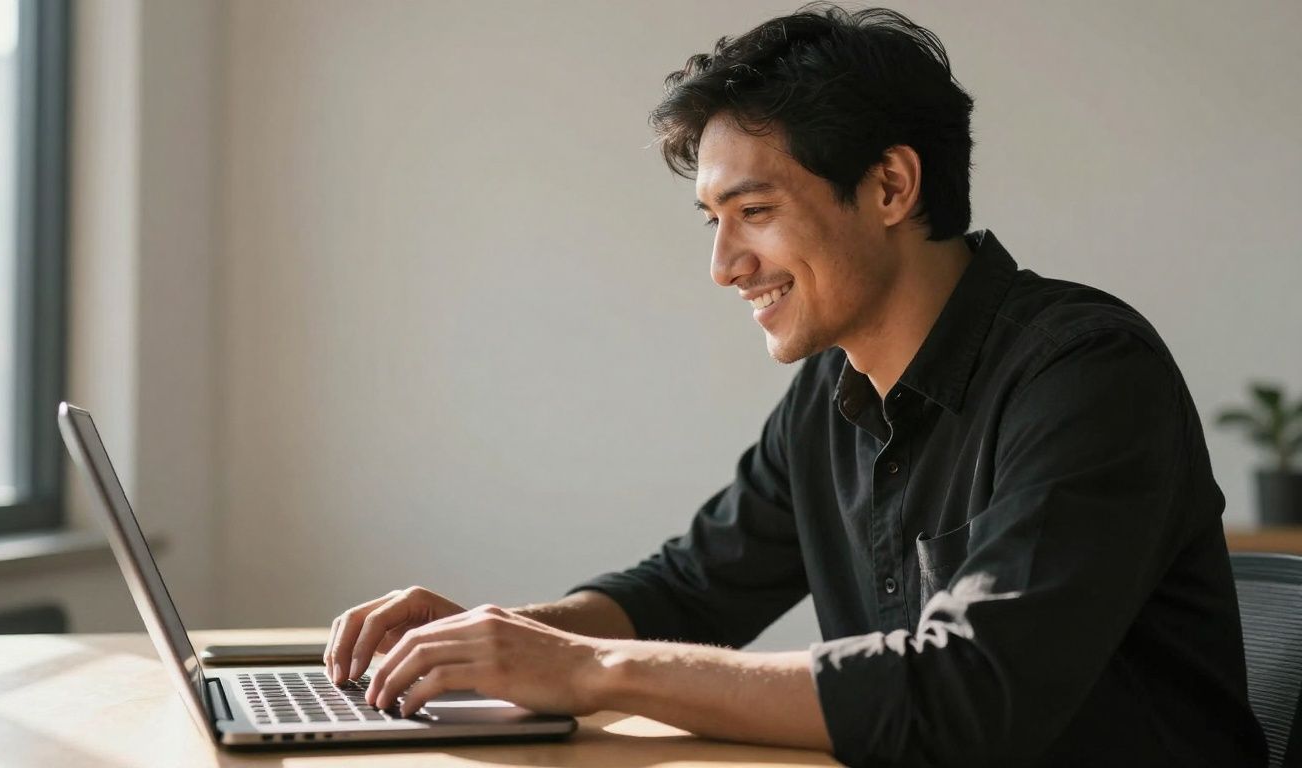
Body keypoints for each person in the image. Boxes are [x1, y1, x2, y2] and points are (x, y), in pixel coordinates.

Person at [323, 5, 1267, 765]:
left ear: (891, 187)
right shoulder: (831, 391)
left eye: (756, 211)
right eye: (714, 221)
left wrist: (593, 669)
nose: (725, 266)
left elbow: (972, 692)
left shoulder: (1087, 372)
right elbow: (691, 589)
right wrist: (493, 640)